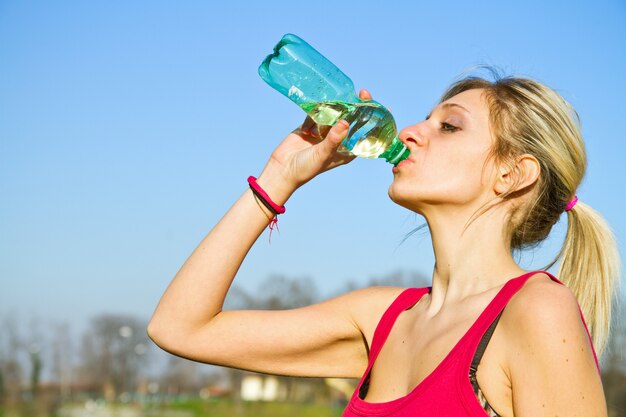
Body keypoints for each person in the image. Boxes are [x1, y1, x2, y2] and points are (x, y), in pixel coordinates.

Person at [147, 72, 620, 416]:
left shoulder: (536, 311)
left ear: (511, 174)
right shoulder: (381, 321)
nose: (410, 130)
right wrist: (277, 178)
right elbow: (179, 328)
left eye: (448, 126)